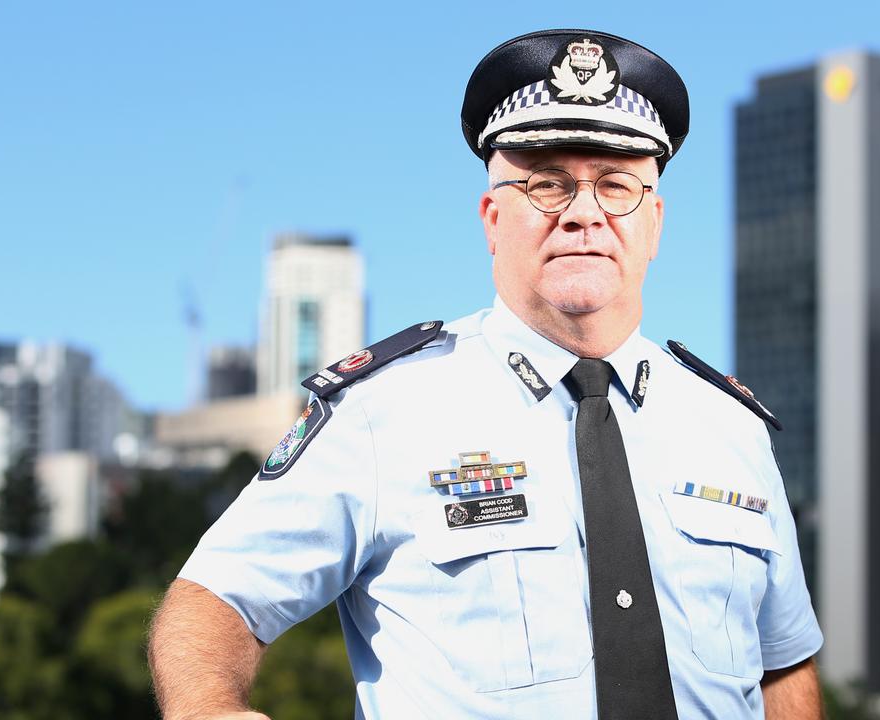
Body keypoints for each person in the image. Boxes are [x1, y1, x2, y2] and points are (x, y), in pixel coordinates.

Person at [148, 29, 823, 720]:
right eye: (546, 184)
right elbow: (215, 596)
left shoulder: (733, 428)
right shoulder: (384, 413)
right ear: (493, 218)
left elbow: (783, 666)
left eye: (616, 185)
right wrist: (208, 709)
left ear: (654, 223)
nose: (583, 214)